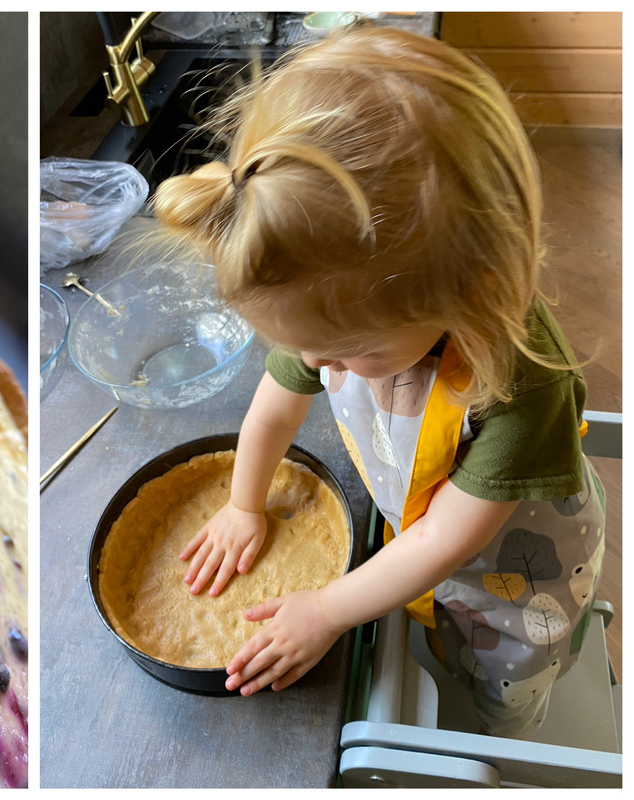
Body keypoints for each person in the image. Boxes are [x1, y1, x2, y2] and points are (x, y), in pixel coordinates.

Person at [152, 24, 604, 739]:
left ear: (465, 293)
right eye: (309, 351)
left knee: (502, 678)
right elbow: (274, 409)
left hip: (518, 576)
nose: (322, 368)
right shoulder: (337, 299)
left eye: (343, 353)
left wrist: (329, 608)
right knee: (438, 629)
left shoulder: (522, 386)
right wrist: (245, 503)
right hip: (426, 533)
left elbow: (445, 544)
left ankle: (497, 730)